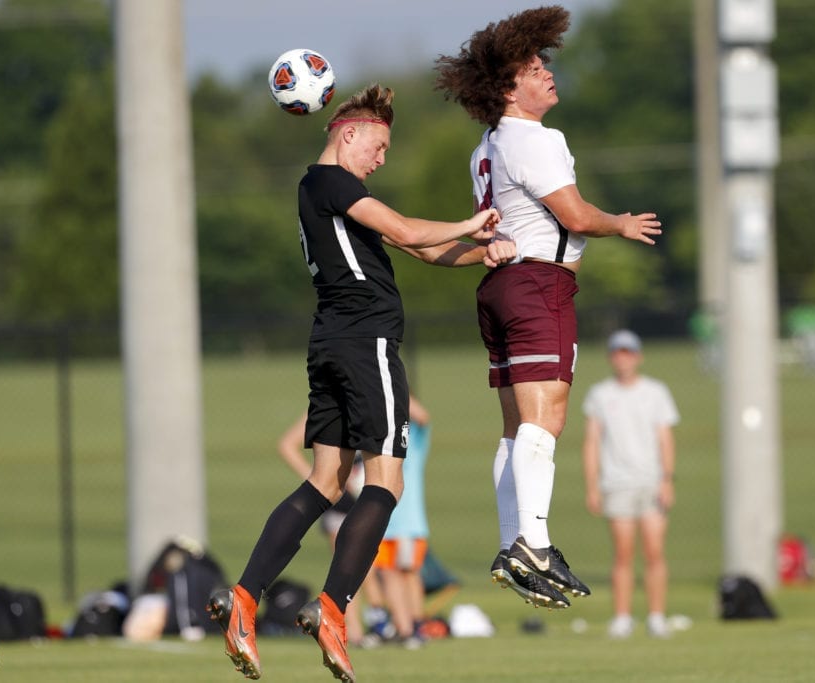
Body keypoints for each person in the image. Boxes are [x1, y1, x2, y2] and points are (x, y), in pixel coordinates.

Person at [207, 84, 515, 682]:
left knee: (327, 480)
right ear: (347, 133)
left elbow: (422, 252)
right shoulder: (333, 184)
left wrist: (483, 253)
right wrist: (472, 221)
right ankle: (332, 610)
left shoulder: (325, 194)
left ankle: (244, 601)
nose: (381, 159)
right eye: (378, 146)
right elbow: (404, 230)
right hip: (365, 341)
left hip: (330, 341)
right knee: (388, 480)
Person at [434, 5, 662, 609]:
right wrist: (621, 223)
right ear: (508, 87)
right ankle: (530, 544)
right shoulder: (535, 139)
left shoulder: (487, 145)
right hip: (537, 285)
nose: (547, 75)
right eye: (534, 68)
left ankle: (516, 545)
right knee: (546, 422)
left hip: (503, 287)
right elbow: (576, 216)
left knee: (516, 429)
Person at [581, 330, 679, 639]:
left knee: (654, 551)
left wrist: (667, 479)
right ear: (611, 357)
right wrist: (592, 486)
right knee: (623, 553)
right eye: (617, 353)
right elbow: (592, 442)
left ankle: (656, 616)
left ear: (638, 356)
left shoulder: (655, 392)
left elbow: (665, 438)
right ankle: (622, 617)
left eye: (628, 352)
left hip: (650, 481)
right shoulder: (600, 394)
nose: (623, 358)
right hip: (617, 482)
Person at [277, 412, 382, 648]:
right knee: (346, 567)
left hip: (366, 502)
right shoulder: (325, 406)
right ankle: (353, 633)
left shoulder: (367, 402)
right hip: (339, 508)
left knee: (369, 568)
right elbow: (287, 445)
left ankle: (376, 624)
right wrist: (319, 483)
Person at [370, 394, 432, 648]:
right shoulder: (377, 443)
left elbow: (422, 416)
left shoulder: (412, 440)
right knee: (388, 574)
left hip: (407, 523)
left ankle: (414, 626)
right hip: (384, 522)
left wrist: (391, 390)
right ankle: (404, 626)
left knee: (407, 574)